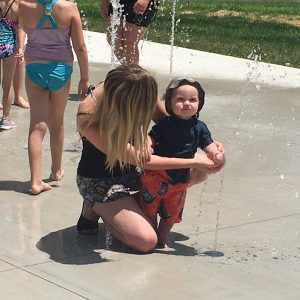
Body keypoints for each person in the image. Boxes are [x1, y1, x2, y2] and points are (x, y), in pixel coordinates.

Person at [76, 64, 224, 253]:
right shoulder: (89, 114)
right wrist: (194, 160)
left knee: (198, 173)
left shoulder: (139, 85)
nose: (146, 108)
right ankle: (95, 206)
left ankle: (128, 205)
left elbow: (172, 125)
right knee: (145, 241)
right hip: (100, 180)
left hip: (132, 172)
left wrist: (210, 147)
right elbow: (140, 159)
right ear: (122, 100)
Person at [137, 77, 226, 247]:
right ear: (169, 103)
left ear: (200, 104)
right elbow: (151, 137)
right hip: (157, 175)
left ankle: (162, 235)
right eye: (180, 99)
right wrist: (147, 145)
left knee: (173, 210)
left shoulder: (200, 127)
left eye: (193, 100)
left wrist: (215, 153)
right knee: (149, 205)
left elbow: (208, 144)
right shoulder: (165, 124)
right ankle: (151, 228)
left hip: (180, 179)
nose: (187, 104)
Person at [17, 0, 89, 195]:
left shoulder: (24, 6)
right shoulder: (69, 8)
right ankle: (56, 171)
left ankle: (35, 181)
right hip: (61, 70)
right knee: (56, 122)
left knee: (37, 125)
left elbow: (21, 28)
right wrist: (84, 78)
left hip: (34, 68)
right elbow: (80, 47)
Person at [0, 0, 22, 129]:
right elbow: (21, 27)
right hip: (9, 45)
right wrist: (19, 47)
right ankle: (5, 119)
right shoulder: (17, 5)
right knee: (8, 83)